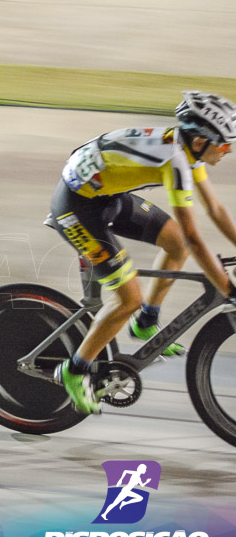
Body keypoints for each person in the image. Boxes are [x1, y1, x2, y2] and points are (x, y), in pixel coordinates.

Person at [48, 91, 236, 415]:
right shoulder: (175, 160)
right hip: (77, 209)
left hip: (106, 195)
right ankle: (75, 370)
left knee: (175, 242)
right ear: (201, 140)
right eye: (224, 143)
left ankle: (146, 322)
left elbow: (216, 209)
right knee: (127, 298)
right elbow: (195, 234)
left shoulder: (187, 151)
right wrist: (229, 290)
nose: (229, 149)